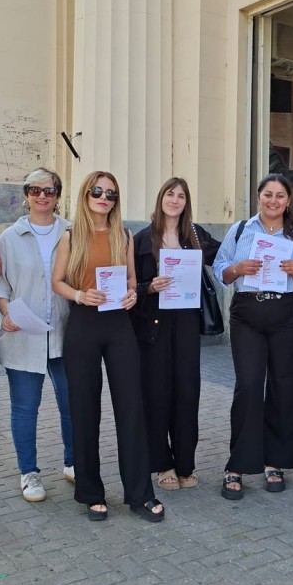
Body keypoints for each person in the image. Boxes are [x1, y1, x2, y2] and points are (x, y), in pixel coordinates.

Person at [51, 170, 164, 522]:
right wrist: (79, 295)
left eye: (111, 194)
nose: (104, 198)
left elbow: (131, 279)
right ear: (86, 195)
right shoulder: (71, 236)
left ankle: (140, 493)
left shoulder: (124, 235)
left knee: (131, 407)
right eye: (97, 192)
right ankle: (90, 492)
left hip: (118, 325)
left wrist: (132, 294)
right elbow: (57, 282)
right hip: (84, 324)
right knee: (85, 409)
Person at [212, 173, 293, 499]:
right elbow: (220, 268)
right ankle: (238, 465)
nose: (273, 201)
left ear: (288, 201)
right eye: (268, 194)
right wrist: (238, 269)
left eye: (280, 195)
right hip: (248, 314)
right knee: (249, 386)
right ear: (259, 197)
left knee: (285, 387)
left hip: (288, 315)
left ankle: (275, 462)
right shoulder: (241, 230)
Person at [0, 168, 74, 503]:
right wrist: (6, 312)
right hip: (24, 334)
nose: (42, 196)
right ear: (26, 195)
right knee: (25, 408)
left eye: (49, 190)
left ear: (57, 195)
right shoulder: (10, 237)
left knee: (72, 404)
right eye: (35, 190)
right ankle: (29, 472)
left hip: (67, 333)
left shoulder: (72, 231)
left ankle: (73, 462)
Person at [132, 177, 220, 491]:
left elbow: (224, 259)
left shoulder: (195, 236)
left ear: (186, 203)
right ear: (161, 199)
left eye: (181, 196)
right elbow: (131, 285)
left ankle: (185, 464)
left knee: (186, 393)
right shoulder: (141, 239)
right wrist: (149, 287)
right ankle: (162, 464)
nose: (175, 200)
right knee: (156, 395)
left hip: (186, 324)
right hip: (153, 327)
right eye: (170, 194)